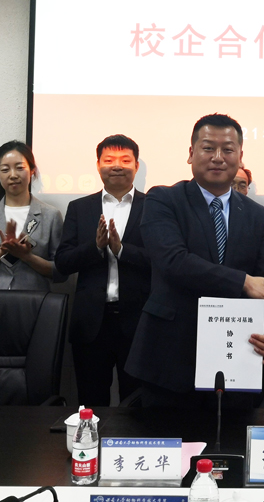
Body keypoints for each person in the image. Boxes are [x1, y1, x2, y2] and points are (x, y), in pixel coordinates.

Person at [124, 114, 264, 409]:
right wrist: (243, 282)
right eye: (208, 148)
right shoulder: (163, 199)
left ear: (240, 156)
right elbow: (174, 261)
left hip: (237, 354)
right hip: (170, 355)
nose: (218, 157)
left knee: (232, 436)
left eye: (228, 149)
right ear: (191, 153)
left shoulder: (257, 215)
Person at [55, 135, 152, 407]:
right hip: (91, 324)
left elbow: (162, 261)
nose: (117, 166)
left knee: (136, 404)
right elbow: (62, 263)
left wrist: (122, 250)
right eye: (109, 160)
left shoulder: (153, 207)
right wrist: (95, 248)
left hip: (138, 322)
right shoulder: (79, 208)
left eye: (125, 160)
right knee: (91, 402)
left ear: (136, 166)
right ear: (98, 165)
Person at [0, 141, 65, 290]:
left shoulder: (51, 216)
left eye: (20, 168)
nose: (13, 175)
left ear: (32, 170)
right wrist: (1, 251)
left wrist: (27, 257)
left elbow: (61, 272)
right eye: (5, 169)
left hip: (34, 300)